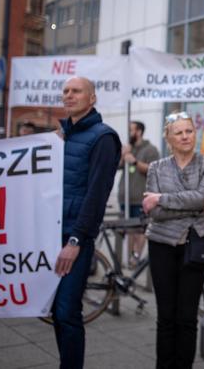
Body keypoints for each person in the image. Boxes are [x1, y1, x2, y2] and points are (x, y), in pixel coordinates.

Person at [53, 76, 121, 369]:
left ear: (91, 98)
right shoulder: (61, 136)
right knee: (56, 311)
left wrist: (76, 241)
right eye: (66, 91)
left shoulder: (104, 138)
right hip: (51, 231)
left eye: (76, 91)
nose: (69, 95)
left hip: (73, 238)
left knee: (68, 312)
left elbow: (96, 195)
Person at [142, 111, 204, 369]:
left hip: (195, 244)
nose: (186, 136)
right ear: (168, 138)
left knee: (187, 317)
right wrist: (189, 204)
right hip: (161, 245)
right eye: (179, 132)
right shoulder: (156, 167)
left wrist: (162, 198)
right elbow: (153, 211)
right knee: (165, 316)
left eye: (189, 131)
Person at [117, 120, 160, 267]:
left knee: (139, 230)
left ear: (139, 132)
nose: (129, 133)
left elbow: (153, 170)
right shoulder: (129, 148)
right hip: (125, 197)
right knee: (128, 229)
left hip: (140, 197)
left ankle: (136, 257)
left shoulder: (150, 149)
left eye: (131, 130)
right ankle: (128, 259)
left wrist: (135, 162)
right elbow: (116, 166)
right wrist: (122, 154)